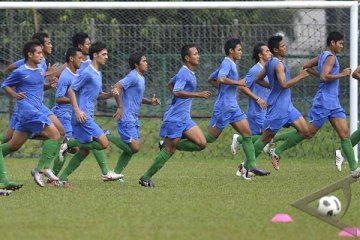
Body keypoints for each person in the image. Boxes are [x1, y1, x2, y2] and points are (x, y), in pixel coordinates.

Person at [139, 44, 211, 187]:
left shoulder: (187, 72)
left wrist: (178, 99)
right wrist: (197, 94)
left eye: (198, 53)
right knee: (169, 151)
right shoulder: (184, 73)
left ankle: (167, 144)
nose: (198, 56)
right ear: (187, 58)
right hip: (175, 118)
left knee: (201, 143)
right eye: (195, 54)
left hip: (185, 118)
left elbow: (170, 85)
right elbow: (177, 91)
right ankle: (145, 177)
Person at [56, 42, 122, 187]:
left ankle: (62, 179)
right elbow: (71, 90)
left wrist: (112, 93)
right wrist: (78, 111)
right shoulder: (87, 72)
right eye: (104, 54)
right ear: (95, 55)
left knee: (85, 151)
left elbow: (100, 95)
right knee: (104, 143)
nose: (107, 57)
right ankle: (69, 143)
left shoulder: (98, 73)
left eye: (107, 54)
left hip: (87, 115)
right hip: (83, 116)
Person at [0, 40, 63, 190]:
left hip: (35, 110)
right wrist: (15, 94)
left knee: (13, 146)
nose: (42, 56)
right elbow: (5, 85)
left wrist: (50, 84)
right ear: (30, 54)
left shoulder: (40, 70)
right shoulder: (21, 71)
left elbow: (37, 87)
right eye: (39, 53)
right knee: (55, 135)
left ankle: (36, 137)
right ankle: (40, 169)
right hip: (29, 111)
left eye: (42, 52)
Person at [246, 35, 310, 174]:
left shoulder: (271, 63)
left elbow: (259, 79)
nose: (285, 48)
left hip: (288, 106)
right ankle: (245, 167)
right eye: (282, 46)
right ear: (275, 49)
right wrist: (300, 76)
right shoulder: (278, 64)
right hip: (278, 107)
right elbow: (284, 84)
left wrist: (273, 86)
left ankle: (277, 151)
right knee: (266, 137)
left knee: (305, 131)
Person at [301, 31, 360, 178]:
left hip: (333, 102)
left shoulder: (324, 56)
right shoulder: (330, 57)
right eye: (340, 43)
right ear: (332, 43)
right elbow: (325, 76)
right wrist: (342, 74)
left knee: (345, 135)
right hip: (324, 101)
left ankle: (354, 169)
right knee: (308, 132)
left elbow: (306, 67)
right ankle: (273, 141)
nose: (342, 46)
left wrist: (320, 75)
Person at [107, 52, 161, 182]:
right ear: (136, 64)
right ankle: (106, 135)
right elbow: (116, 87)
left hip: (133, 117)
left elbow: (136, 97)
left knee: (131, 149)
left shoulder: (141, 78)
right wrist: (120, 107)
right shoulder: (133, 76)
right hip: (126, 117)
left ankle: (115, 174)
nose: (146, 63)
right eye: (144, 61)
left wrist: (150, 102)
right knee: (135, 148)